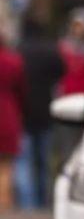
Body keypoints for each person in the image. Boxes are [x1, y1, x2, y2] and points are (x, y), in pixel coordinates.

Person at [15, 18, 64, 209]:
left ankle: (28, 205)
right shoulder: (50, 51)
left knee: (25, 163)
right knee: (44, 162)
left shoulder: (19, 51)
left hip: (24, 114)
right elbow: (62, 70)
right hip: (45, 113)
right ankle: (43, 202)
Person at [0, 36, 25, 211]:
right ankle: (4, 203)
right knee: (7, 164)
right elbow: (22, 90)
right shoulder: (14, 62)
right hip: (8, 114)